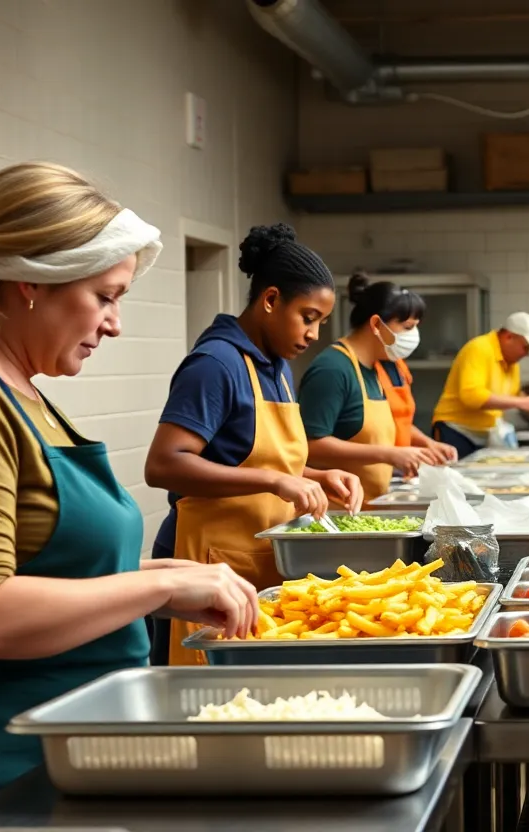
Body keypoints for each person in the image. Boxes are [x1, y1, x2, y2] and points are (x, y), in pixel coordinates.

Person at [0, 162, 258, 825]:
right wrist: (156, 591)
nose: (115, 323)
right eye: (105, 296)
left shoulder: (19, 391)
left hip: (59, 753)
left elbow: (47, 569)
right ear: (31, 282)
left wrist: (172, 571)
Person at [143, 223, 362, 667]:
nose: (315, 333)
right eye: (308, 317)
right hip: (205, 560)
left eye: (320, 321)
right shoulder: (215, 364)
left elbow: (259, 459)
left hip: (254, 562)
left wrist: (318, 477)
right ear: (270, 300)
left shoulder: (276, 367)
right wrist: (276, 481)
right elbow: (164, 464)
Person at [300, 273, 457, 498]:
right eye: (407, 326)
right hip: (336, 510)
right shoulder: (333, 369)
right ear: (376, 324)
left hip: (370, 503)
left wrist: (425, 445)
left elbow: (385, 426)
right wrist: (390, 454)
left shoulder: (375, 368)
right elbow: (310, 445)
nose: (413, 336)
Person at [431, 312, 529, 459]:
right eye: (525, 347)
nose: (527, 354)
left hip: (485, 432)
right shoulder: (479, 349)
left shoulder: (511, 363)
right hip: (456, 431)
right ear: (508, 337)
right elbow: (471, 396)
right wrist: (521, 402)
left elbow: (507, 396)